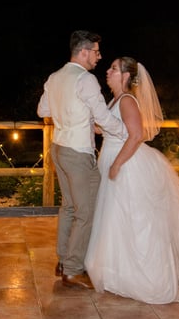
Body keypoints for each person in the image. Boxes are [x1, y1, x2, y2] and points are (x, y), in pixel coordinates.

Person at [84, 57, 179, 303]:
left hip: (127, 166)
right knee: (116, 220)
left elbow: (136, 135)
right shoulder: (115, 100)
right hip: (113, 159)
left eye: (114, 68)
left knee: (136, 221)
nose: (108, 71)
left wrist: (117, 164)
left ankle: (147, 278)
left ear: (126, 76)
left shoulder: (127, 100)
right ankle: (119, 274)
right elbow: (110, 128)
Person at [37, 30, 125, 289]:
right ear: (84, 52)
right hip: (77, 151)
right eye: (96, 52)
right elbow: (102, 116)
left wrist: (69, 112)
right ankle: (74, 269)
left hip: (58, 148)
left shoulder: (55, 77)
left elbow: (43, 110)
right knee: (86, 212)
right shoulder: (86, 80)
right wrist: (125, 132)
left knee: (69, 207)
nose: (99, 56)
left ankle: (63, 261)